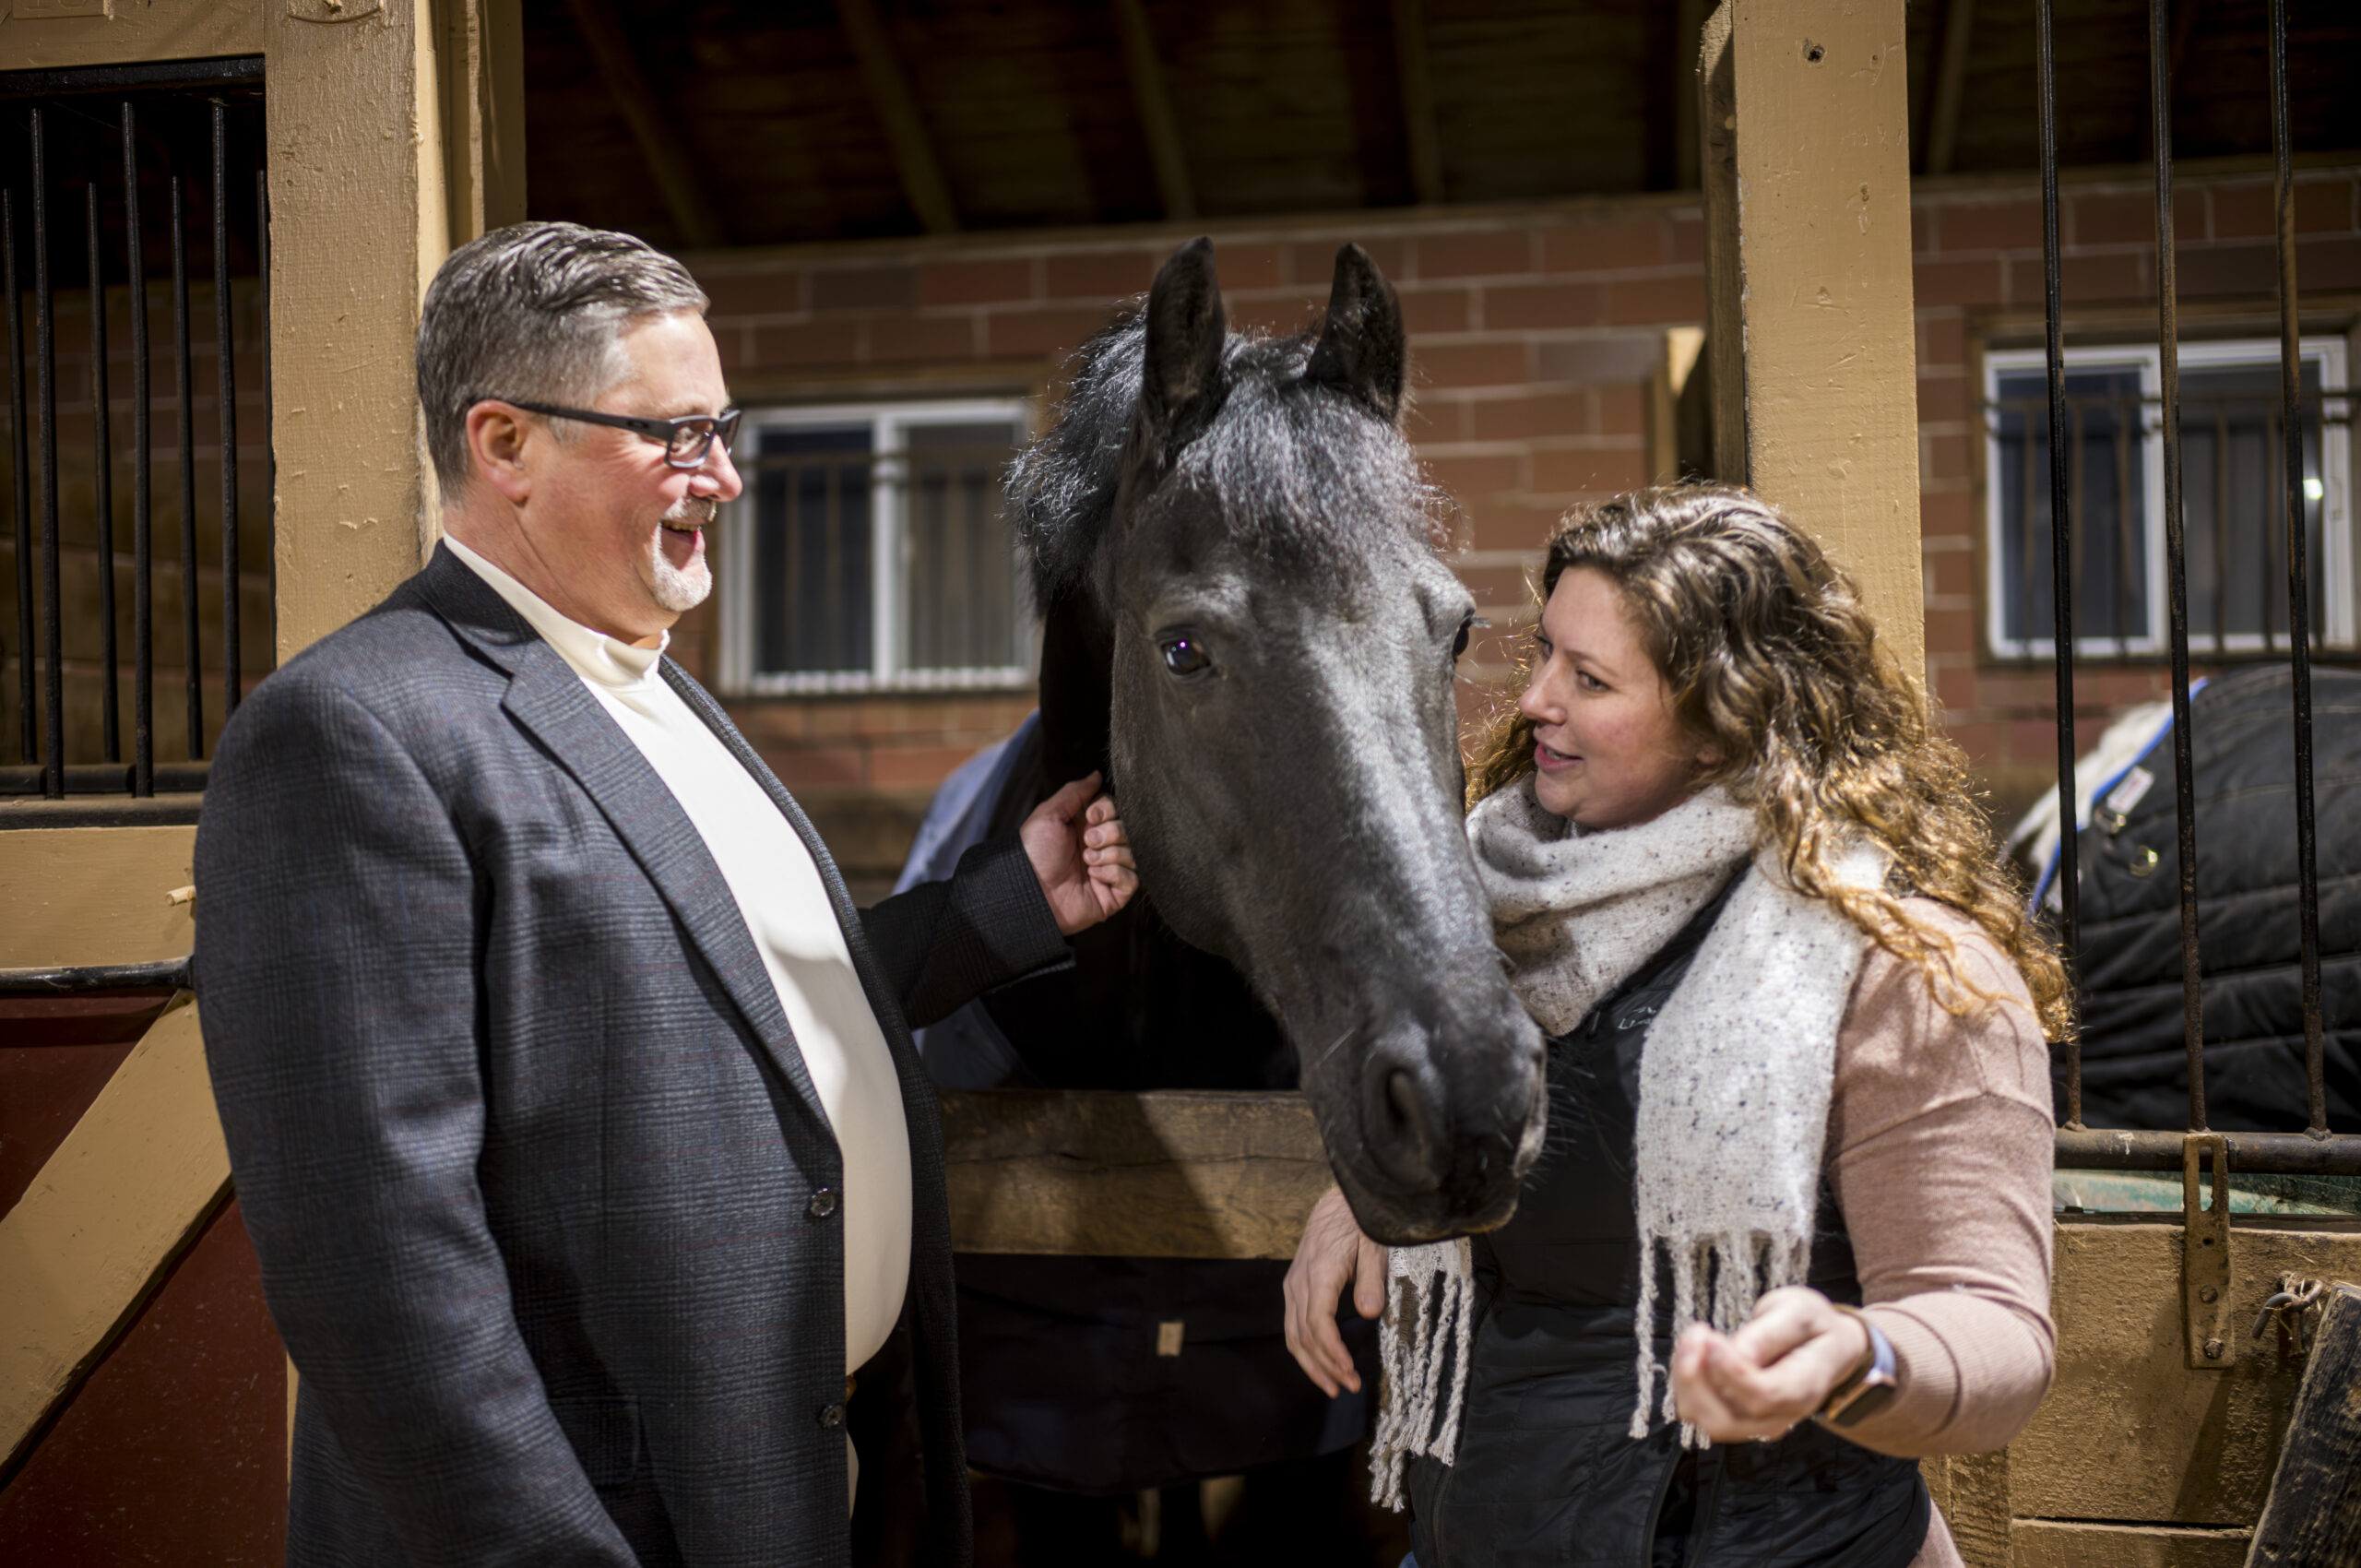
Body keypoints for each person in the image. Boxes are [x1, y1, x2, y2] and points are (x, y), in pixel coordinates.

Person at [194, 220, 1137, 1568]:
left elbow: (711, 1006)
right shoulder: (351, 732)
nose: (725, 478)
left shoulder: (654, 688)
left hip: (797, 1483)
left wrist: (1004, 912)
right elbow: (380, 1283)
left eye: (724, 427)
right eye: (674, 435)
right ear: (504, 444)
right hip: (611, 1524)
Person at [1283, 485, 2062, 1568]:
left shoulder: (1900, 968)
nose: (1537, 699)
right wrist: (1374, 1185)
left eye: (1590, 678)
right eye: (1545, 651)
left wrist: (1853, 1352)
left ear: (1718, 723)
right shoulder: (1484, 909)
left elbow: (1995, 1330)